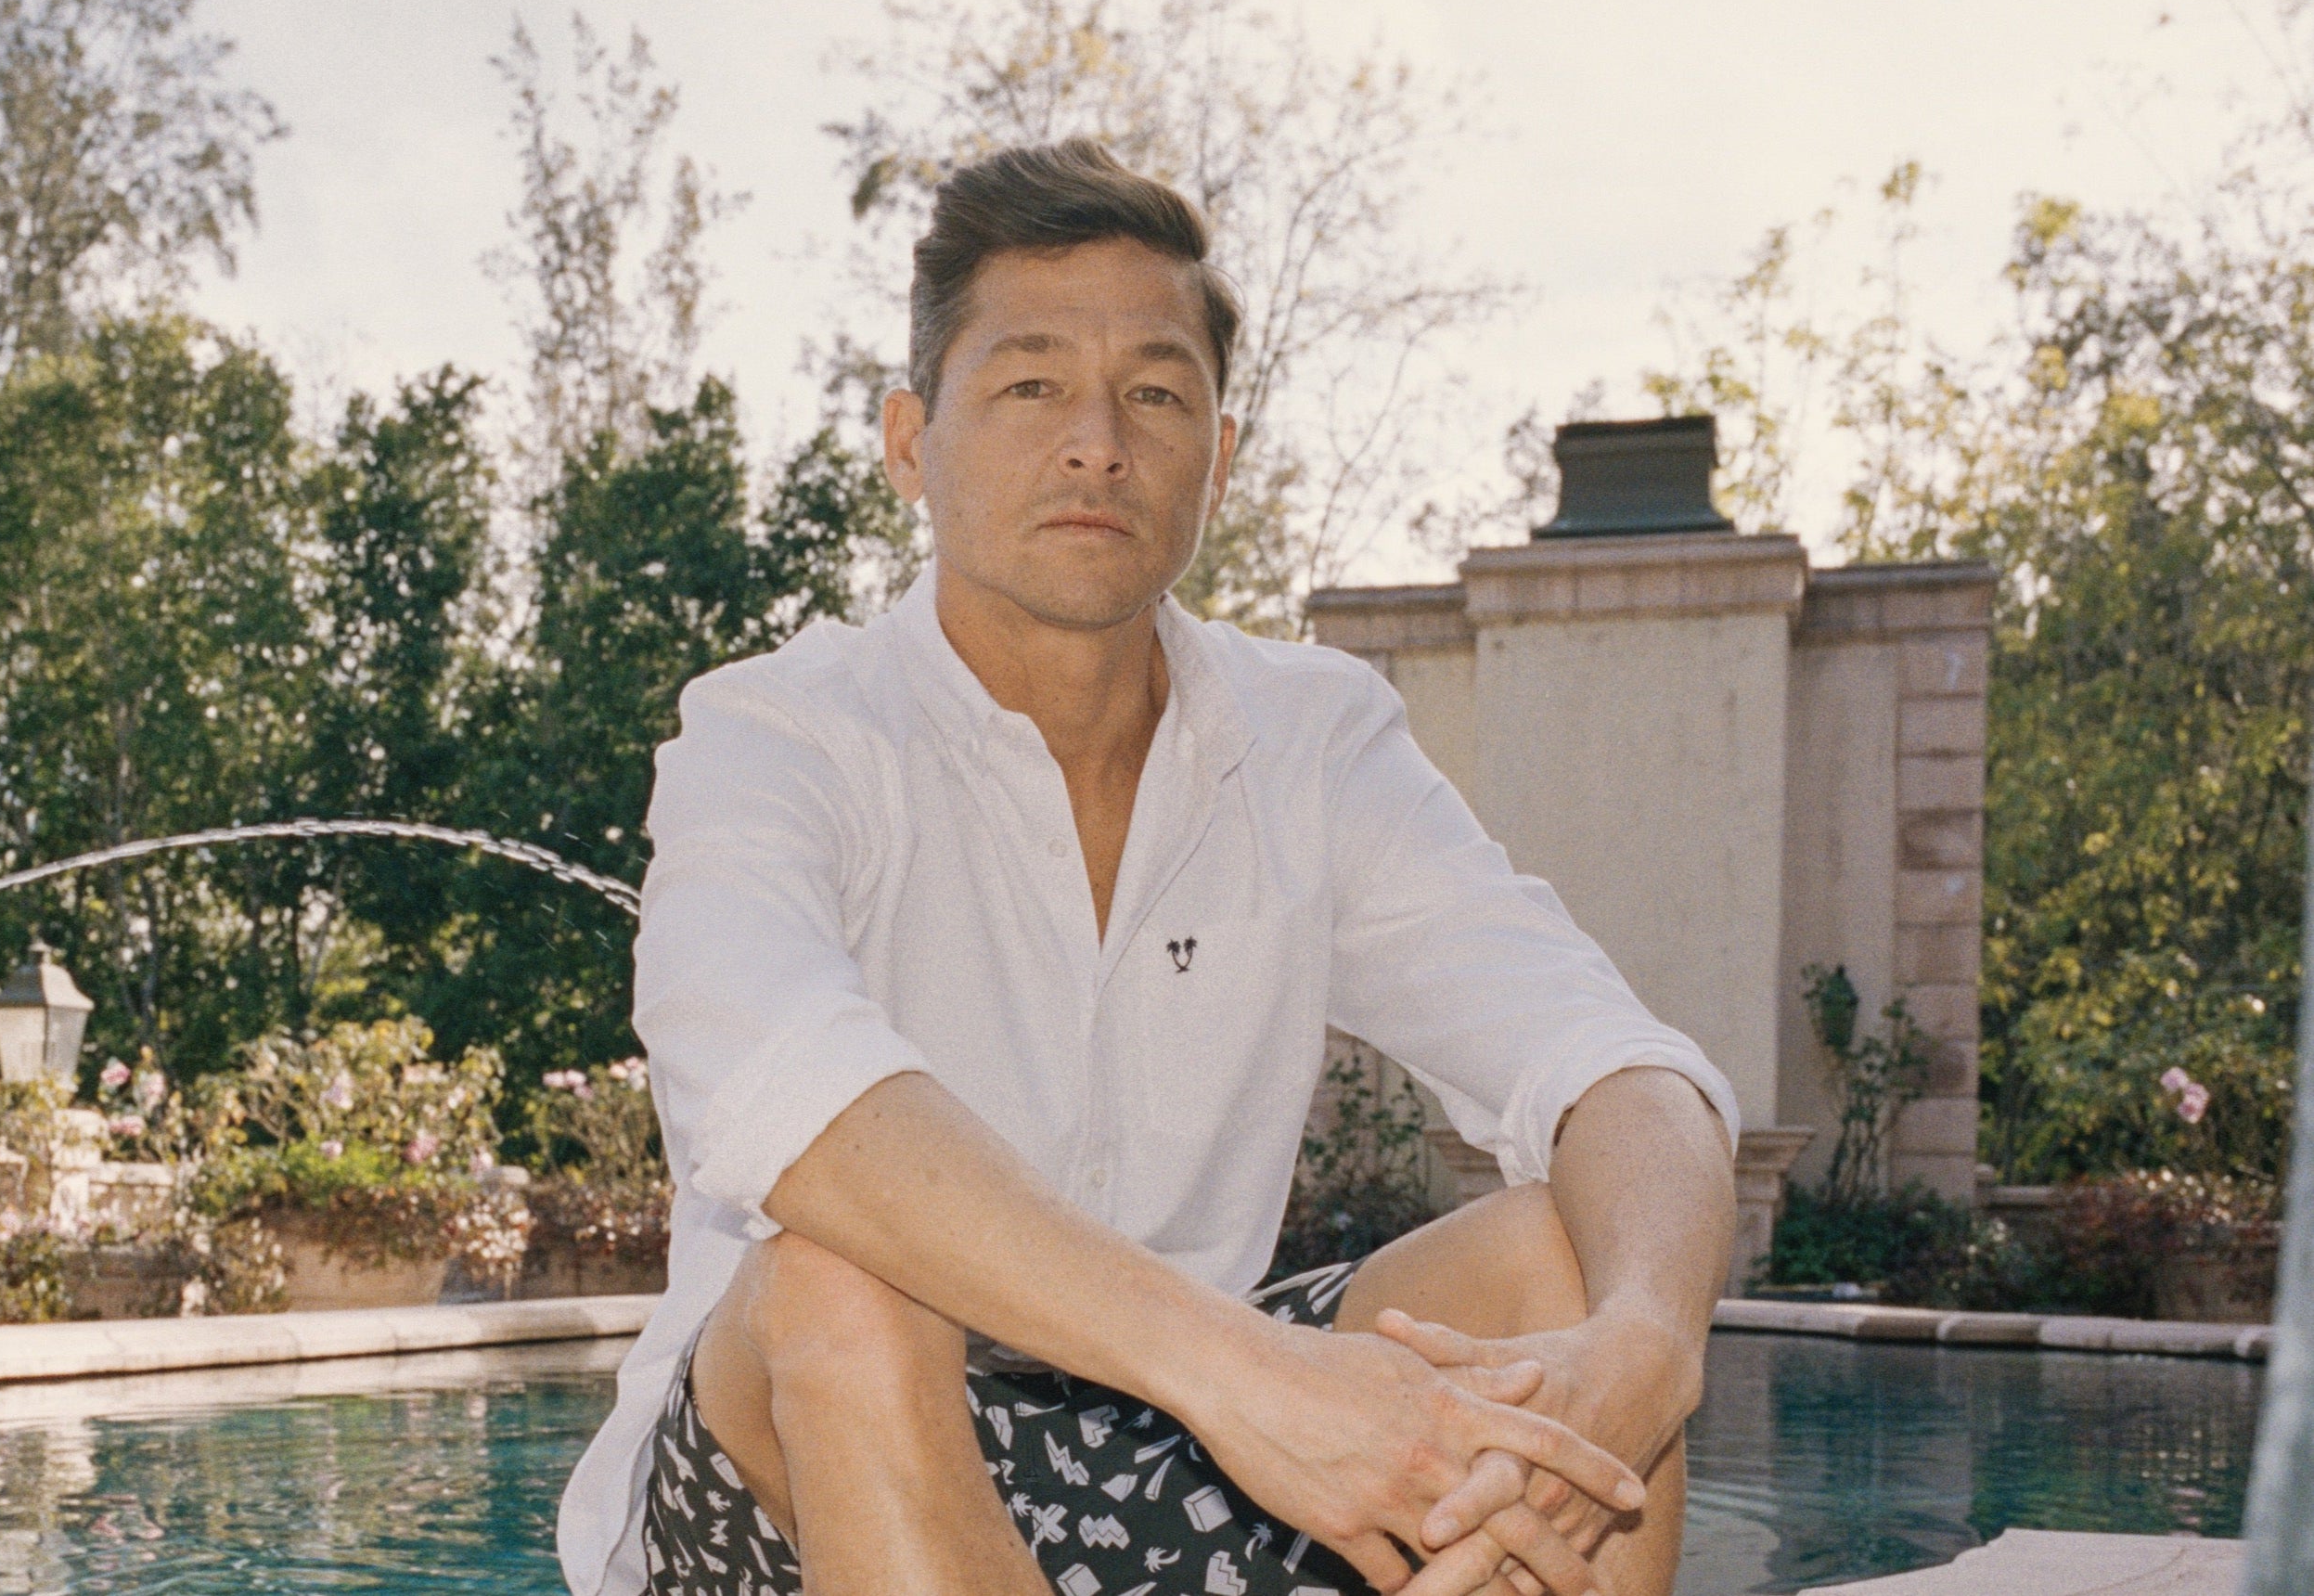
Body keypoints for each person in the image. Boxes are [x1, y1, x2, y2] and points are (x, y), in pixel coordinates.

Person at [558, 139, 1739, 1596]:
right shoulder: (778, 730)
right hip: (791, 1472)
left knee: (1564, 1271)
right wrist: (1253, 1383)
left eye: (1157, 395)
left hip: (1173, 1443)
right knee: (840, 1276)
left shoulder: (1314, 739)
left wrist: (1644, 1347)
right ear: (912, 441)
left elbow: (1614, 1064)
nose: (1097, 443)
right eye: (1032, 382)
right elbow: (784, 1087)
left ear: (1219, 460)